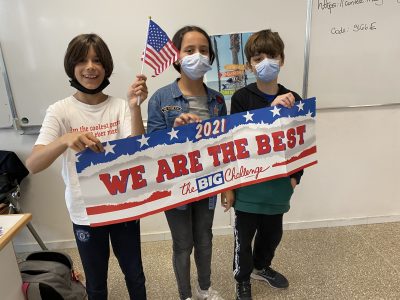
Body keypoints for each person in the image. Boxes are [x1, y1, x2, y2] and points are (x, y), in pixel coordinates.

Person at [25, 33, 148, 300]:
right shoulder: (60, 111)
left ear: (106, 67)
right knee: (95, 281)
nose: (90, 67)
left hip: (124, 205)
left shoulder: (120, 106)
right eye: (82, 60)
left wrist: (135, 108)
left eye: (97, 60)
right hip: (85, 212)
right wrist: (65, 139)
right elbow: (33, 164)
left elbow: (138, 152)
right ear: (71, 66)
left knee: (135, 274)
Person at [222, 29, 304, 300]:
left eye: (272, 56)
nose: (265, 62)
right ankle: (242, 278)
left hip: (279, 186)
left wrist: (296, 177)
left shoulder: (294, 99)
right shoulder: (241, 98)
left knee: (272, 234)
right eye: (258, 58)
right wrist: (272, 112)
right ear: (249, 64)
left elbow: (299, 144)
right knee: (243, 239)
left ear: (282, 59)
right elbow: (238, 141)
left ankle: (261, 266)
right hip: (249, 186)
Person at [147, 26, 227, 300]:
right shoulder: (161, 98)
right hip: (176, 186)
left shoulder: (217, 99)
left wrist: (228, 185)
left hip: (208, 181)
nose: (197, 56)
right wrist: (177, 133)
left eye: (203, 50)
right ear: (176, 56)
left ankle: (205, 289)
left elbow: (224, 144)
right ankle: (186, 295)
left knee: (204, 238)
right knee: (183, 244)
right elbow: (153, 146)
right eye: (189, 50)